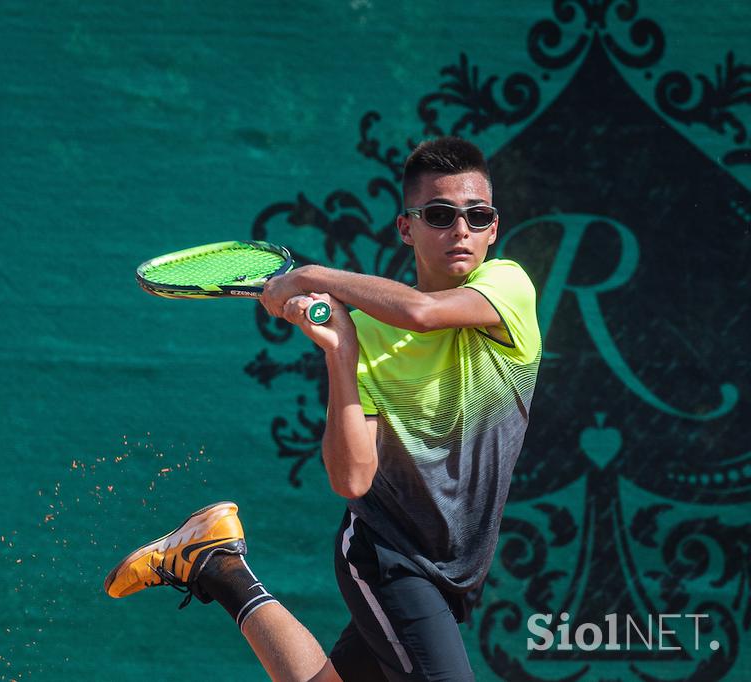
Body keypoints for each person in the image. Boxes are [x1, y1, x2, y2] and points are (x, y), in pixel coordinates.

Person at [103, 136, 541, 681]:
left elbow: (423, 311)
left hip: (458, 563)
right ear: (407, 228)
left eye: (478, 216)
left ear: (493, 227)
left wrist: (310, 276)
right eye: (439, 214)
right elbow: (353, 479)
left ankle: (219, 567)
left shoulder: (508, 285)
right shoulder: (370, 333)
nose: (461, 230)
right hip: (388, 556)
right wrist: (343, 352)